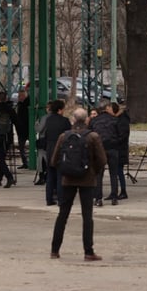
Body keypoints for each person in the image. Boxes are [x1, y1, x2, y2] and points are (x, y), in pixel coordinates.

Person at [50, 107, 107, 261]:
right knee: (87, 216)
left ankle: (55, 250)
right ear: (87, 119)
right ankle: (88, 251)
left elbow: (54, 160)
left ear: (73, 120)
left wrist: (65, 170)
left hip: (67, 179)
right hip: (87, 180)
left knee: (63, 214)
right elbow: (102, 160)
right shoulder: (93, 137)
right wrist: (92, 171)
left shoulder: (64, 136)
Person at [89, 101, 121, 206]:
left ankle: (98, 198)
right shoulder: (115, 120)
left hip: (99, 149)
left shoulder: (94, 121)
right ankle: (114, 197)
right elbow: (120, 135)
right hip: (113, 148)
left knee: (99, 175)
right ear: (107, 108)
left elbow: (90, 135)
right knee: (113, 173)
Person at [42, 99, 72, 206]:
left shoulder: (47, 120)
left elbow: (44, 135)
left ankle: (49, 199)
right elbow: (69, 136)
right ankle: (61, 199)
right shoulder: (65, 121)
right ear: (60, 110)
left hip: (49, 149)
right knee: (60, 175)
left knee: (50, 175)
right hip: (60, 150)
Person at [115, 103, 131, 200]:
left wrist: (114, 141)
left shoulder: (122, 120)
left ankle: (123, 191)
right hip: (119, 148)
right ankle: (119, 191)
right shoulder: (121, 119)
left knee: (119, 170)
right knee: (117, 171)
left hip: (120, 149)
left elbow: (123, 135)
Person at [15, 88, 31, 169]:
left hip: (27, 128)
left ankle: (28, 162)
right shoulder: (20, 104)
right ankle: (25, 162)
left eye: (19, 96)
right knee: (21, 147)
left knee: (23, 146)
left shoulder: (27, 104)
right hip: (22, 129)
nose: (18, 97)